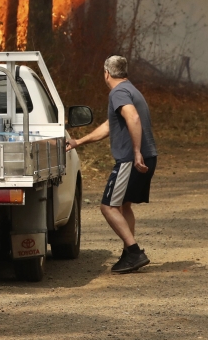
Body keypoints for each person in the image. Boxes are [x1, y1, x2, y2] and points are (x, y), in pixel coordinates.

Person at [67, 55, 158, 274]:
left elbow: (133, 118)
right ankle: (129, 254)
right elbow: (110, 126)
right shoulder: (130, 90)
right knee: (124, 204)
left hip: (131, 159)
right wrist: (79, 141)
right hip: (147, 156)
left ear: (106, 73)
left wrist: (136, 153)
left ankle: (134, 251)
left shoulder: (118, 92)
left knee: (108, 206)